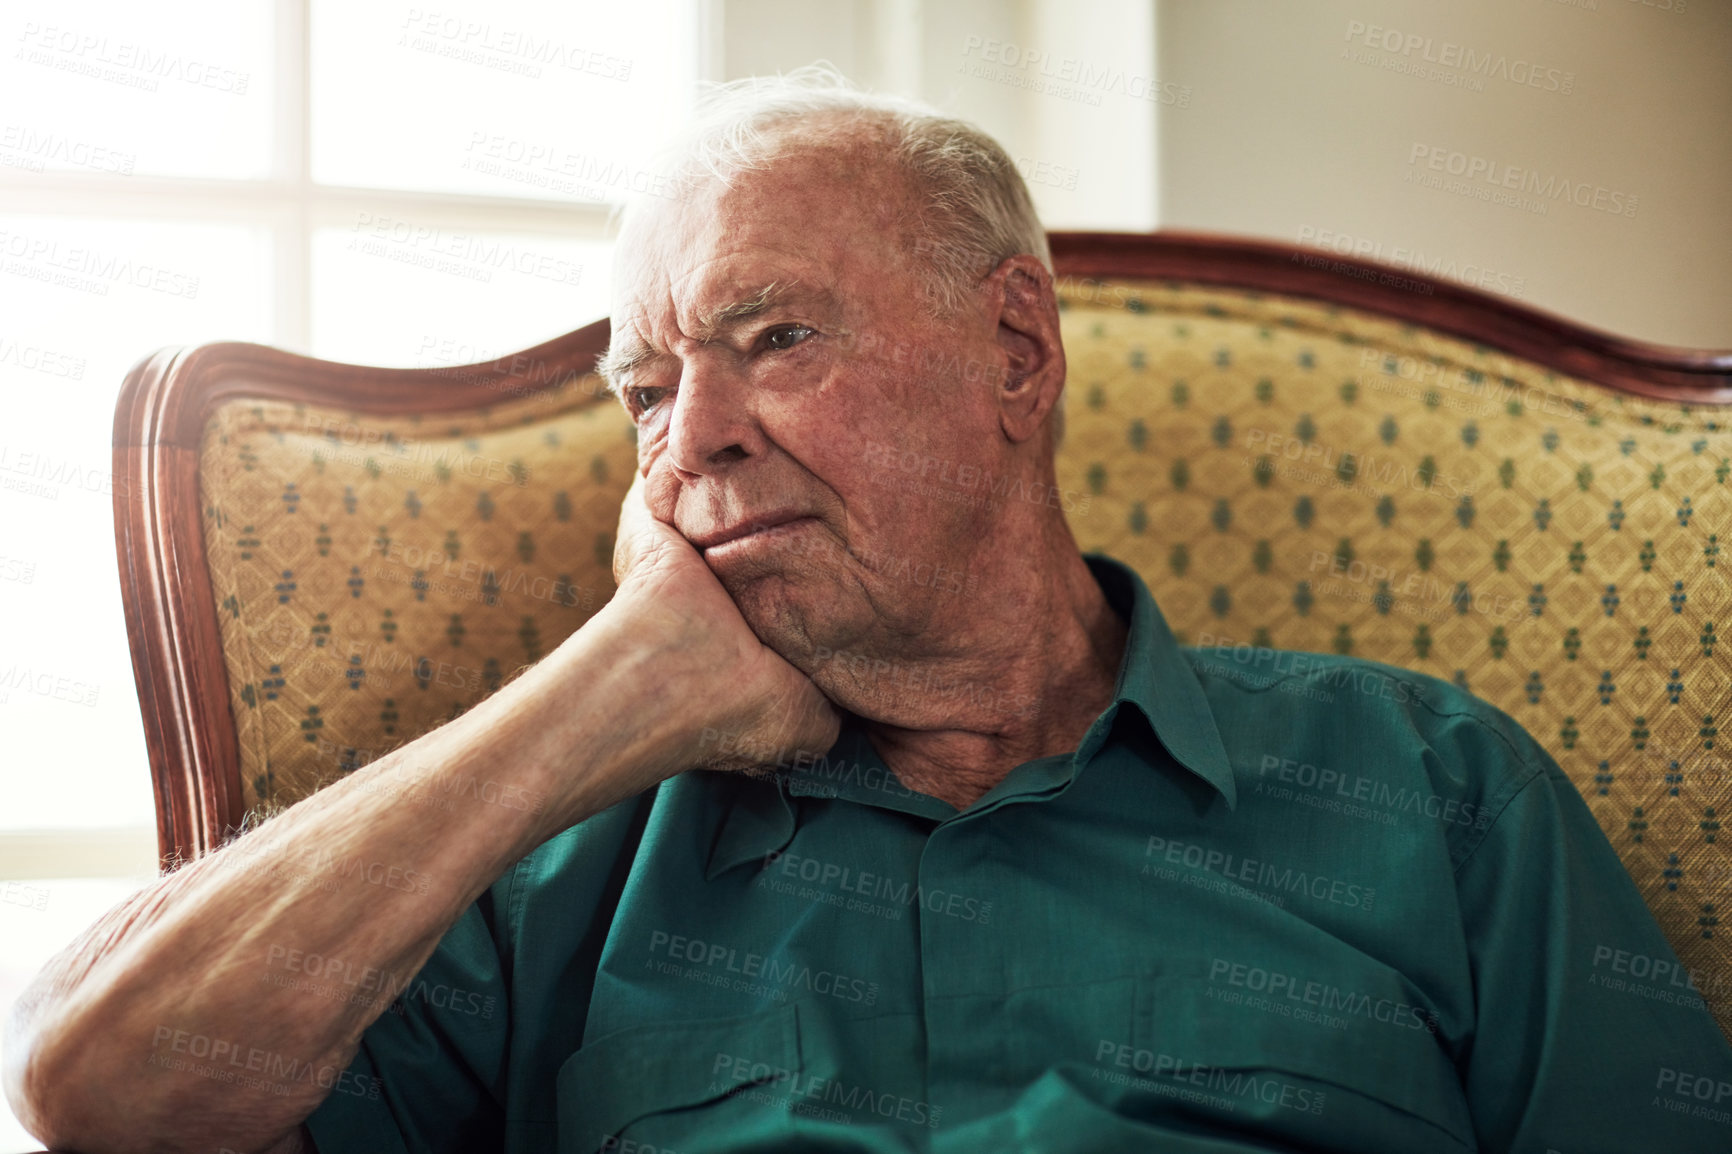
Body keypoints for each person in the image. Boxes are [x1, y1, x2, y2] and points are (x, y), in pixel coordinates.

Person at [8, 68, 1732, 1154]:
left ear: (1016, 355)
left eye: (773, 337)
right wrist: (609, 685)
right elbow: (102, 1096)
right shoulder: (562, 860)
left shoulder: (1427, 792)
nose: (692, 440)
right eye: (644, 389)